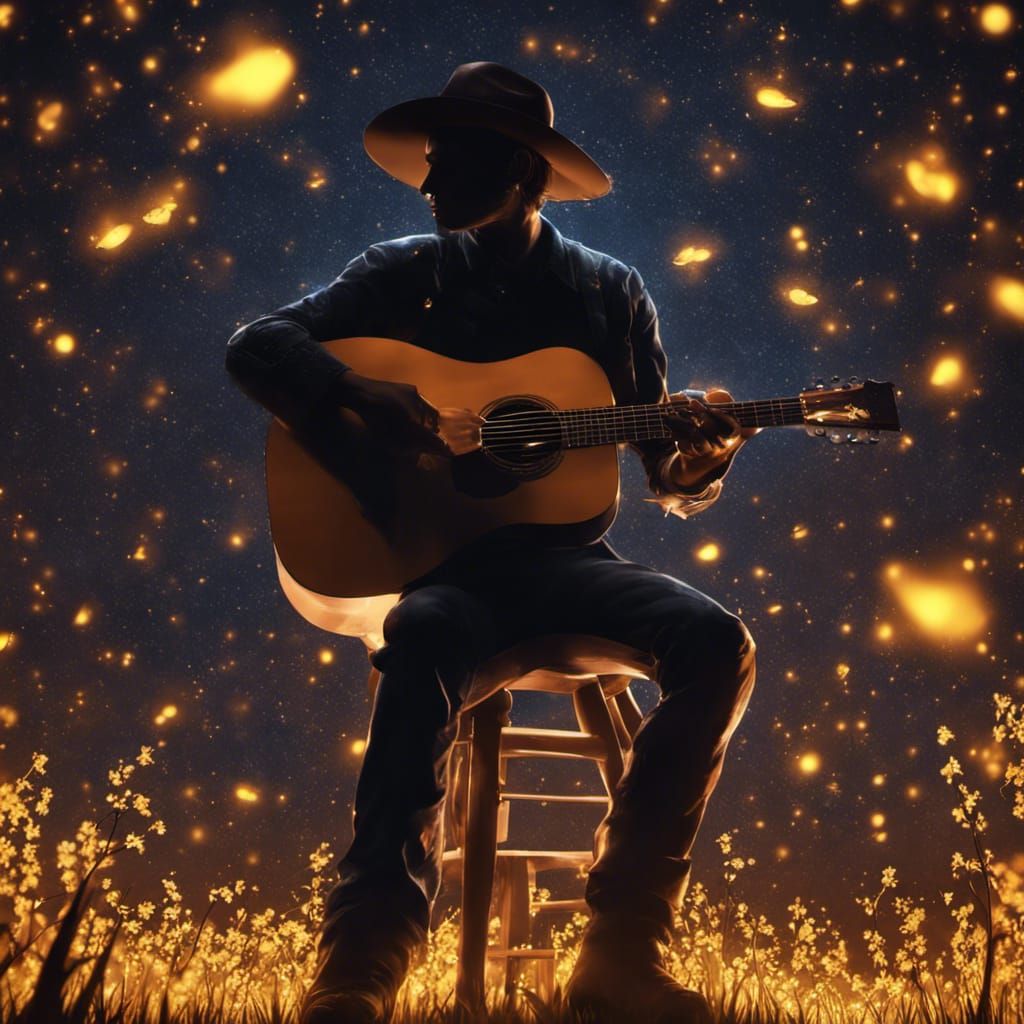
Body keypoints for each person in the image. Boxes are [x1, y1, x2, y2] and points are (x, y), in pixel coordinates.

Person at [225, 61, 759, 1024]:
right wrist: (355, 395)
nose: (427, 187)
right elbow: (256, 345)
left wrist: (700, 458)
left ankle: (620, 955)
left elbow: (660, 473)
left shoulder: (608, 293)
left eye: (453, 165)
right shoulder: (398, 273)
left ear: (520, 172)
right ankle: (359, 969)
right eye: (429, 165)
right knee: (423, 636)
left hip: (566, 567)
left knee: (718, 642)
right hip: (440, 573)